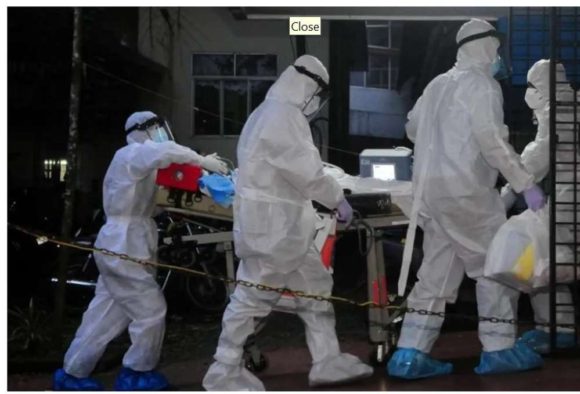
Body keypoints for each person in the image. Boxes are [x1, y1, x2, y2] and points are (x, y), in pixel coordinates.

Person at [386, 19, 546, 380]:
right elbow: (493, 144)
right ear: (486, 46)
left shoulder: (437, 84)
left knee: (435, 277)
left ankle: (409, 354)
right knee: (496, 268)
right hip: (468, 195)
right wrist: (524, 184)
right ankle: (499, 348)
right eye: (497, 49)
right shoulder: (482, 86)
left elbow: (411, 128)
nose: (499, 57)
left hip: (432, 195)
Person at [202, 55, 373, 391]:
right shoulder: (283, 116)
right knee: (252, 298)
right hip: (274, 232)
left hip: (285, 230)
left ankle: (327, 360)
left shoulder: (266, 113)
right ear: (309, 88)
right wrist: (338, 199)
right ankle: (223, 370)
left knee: (315, 289)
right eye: (319, 95)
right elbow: (307, 173)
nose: (318, 104)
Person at [53, 111, 228, 391]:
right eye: (156, 129)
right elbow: (163, 151)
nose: (160, 133)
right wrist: (200, 160)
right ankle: (136, 373)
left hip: (129, 242)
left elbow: (149, 201)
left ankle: (73, 372)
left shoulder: (142, 165)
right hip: (123, 245)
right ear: (143, 130)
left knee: (106, 314)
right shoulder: (131, 154)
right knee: (150, 311)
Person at [497, 59, 580, 355]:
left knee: (541, 261)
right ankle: (551, 329)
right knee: (545, 262)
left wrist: (510, 190)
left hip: (579, 195)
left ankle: (558, 331)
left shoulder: (558, 110)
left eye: (532, 86)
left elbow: (538, 155)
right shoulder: (570, 105)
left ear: (541, 87)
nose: (528, 93)